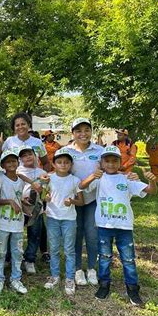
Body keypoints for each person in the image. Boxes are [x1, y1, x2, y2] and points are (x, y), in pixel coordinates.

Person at [79, 146, 157, 306]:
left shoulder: (128, 179)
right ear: (101, 163)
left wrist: (152, 180)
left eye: (115, 161)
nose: (111, 164)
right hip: (104, 226)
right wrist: (93, 176)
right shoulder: (99, 179)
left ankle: (133, 288)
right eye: (107, 161)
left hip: (124, 227)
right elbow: (81, 186)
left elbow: (150, 191)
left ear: (120, 162)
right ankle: (104, 285)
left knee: (128, 259)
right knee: (105, 257)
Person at [65, 118, 103, 287]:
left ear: (91, 132)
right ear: (72, 133)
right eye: (78, 130)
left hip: (94, 198)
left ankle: (92, 268)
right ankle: (78, 269)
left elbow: (111, 168)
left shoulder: (100, 151)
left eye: (86, 130)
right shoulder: (66, 151)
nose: (83, 134)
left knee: (92, 234)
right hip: (74, 199)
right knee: (76, 233)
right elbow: (60, 170)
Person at [43, 148, 84, 296]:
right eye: (59, 162)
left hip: (69, 219)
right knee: (53, 248)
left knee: (69, 250)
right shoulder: (48, 178)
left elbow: (81, 201)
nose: (63, 165)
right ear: (54, 164)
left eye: (66, 162)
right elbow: (44, 194)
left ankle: (69, 278)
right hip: (52, 217)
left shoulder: (75, 180)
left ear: (71, 165)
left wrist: (72, 201)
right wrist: (45, 197)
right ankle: (54, 277)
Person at [0, 150, 28, 295]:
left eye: (14, 161)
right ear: (3, 165)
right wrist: (9, 202)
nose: (11, 164)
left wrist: (24, 204)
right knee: (0, 252)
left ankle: (15, 279)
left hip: (18, 224)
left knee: (17, 251)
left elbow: (20, 198)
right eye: (8, 162)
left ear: (18, 162)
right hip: (2, 223)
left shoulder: (21, 181)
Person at [17, 145, 47, 275]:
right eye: (24, 155)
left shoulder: (41, 172)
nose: (27, 157)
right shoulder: (17, 170)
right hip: (19, 208)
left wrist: (42, 191)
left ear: (35, 155)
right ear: (20, 159)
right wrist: (32, 183)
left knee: (34, 235)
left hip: (36, 209)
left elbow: (45, 190)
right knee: (17, 235)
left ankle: (30, 259)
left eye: (30, 154)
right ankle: (14, 258)